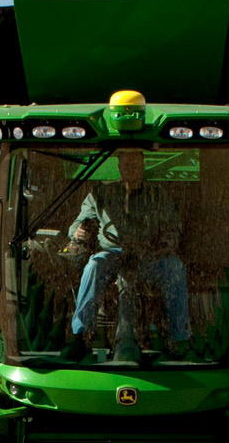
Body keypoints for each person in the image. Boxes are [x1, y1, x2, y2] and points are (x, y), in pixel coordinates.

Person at [67, 151, 189, 359]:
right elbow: (78, 224)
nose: (131, 167)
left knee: (175, 267)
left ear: (142, 165)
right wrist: (77, 231)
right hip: (112, 256)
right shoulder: (100, 194)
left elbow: (172, 227)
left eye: (135, 162)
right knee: (93, 265)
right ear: (119, 166)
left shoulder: (157, 195)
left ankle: (181, 339)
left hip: (148, 257)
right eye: (127, 163)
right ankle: (79, 336)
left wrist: (167, 243)